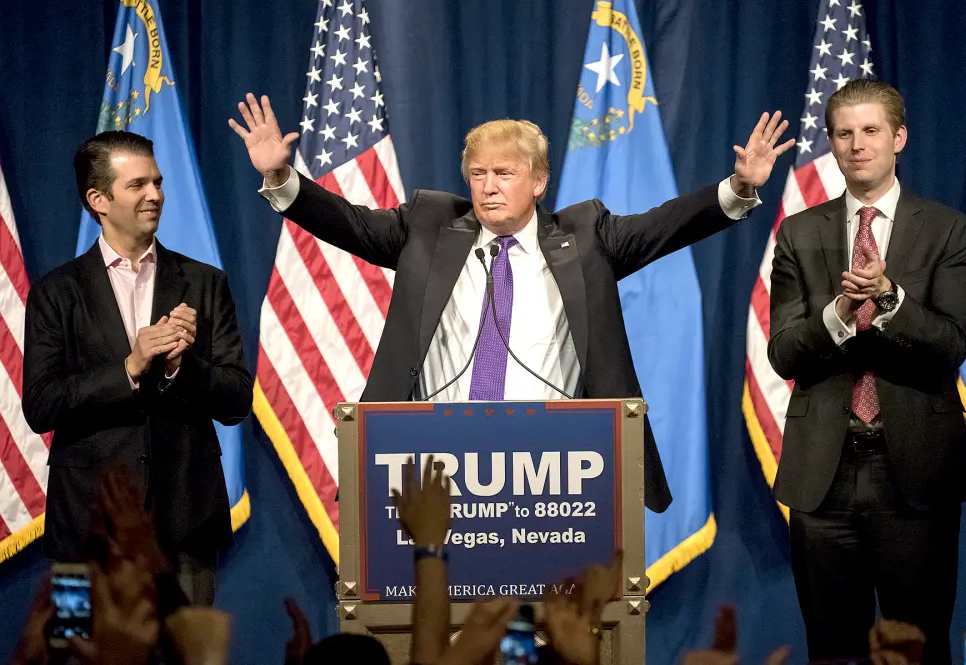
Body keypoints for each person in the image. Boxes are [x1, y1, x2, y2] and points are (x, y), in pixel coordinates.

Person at [230, 94, 792, 513]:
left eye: (505, 173)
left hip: (554, 464)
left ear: (539, 182)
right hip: (435, 458)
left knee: (551, 615)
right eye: (478, 174)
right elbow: (347, 222)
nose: (489, 186)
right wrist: (281, 176)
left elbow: (669, 224)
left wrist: (740, 187)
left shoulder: (587, 236)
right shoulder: (428, 227)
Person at [768, 79, 966, 664]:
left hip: (914, 472)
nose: (857, 145)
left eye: (870, 131)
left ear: (898, 138)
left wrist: (888, 299)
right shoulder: (798, 231)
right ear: (832, 144)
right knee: (834, 651)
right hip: (824, 473)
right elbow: (783, 353)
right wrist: (838, 315)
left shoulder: (945, 229)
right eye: (844, 134)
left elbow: (949, 344)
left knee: (917, 647)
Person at [22, 131, 253, 605]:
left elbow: (236, 400)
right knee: (77, 645)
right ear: (98, 200)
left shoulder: (205, 283)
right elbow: (41, 406)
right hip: (87, 529)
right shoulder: (55, 293)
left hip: (186, 526)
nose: (155, 195)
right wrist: (130, 366)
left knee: (191, 648)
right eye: (137, 185)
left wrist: (179, 367)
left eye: (158, 182)